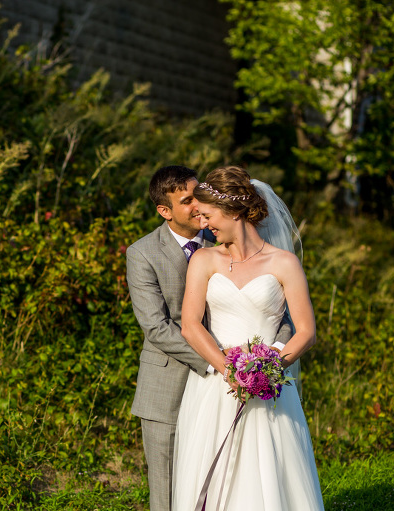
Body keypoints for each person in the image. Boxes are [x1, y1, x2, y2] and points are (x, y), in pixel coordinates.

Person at [126, 165, 292, 511]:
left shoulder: (228, 237)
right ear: (165, 211)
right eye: (187, 201)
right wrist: (223, 362)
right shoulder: (142, 254)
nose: (198, 207)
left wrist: (264, 361)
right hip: (169, 386)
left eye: (199, 196)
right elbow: (157, 326)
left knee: (233, 485)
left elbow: (283, 314)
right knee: (170, 492)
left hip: (241, 381)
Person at [171, 166, 324, 511]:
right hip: (216, 386)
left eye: (208, 215)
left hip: (269, 388)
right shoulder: (205, 260)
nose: (204, 224)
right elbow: (190, 325)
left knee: (268, 474)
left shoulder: (284, 263)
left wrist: (268, 369)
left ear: (235, 212)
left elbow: (306, 332)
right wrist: (230, 369)